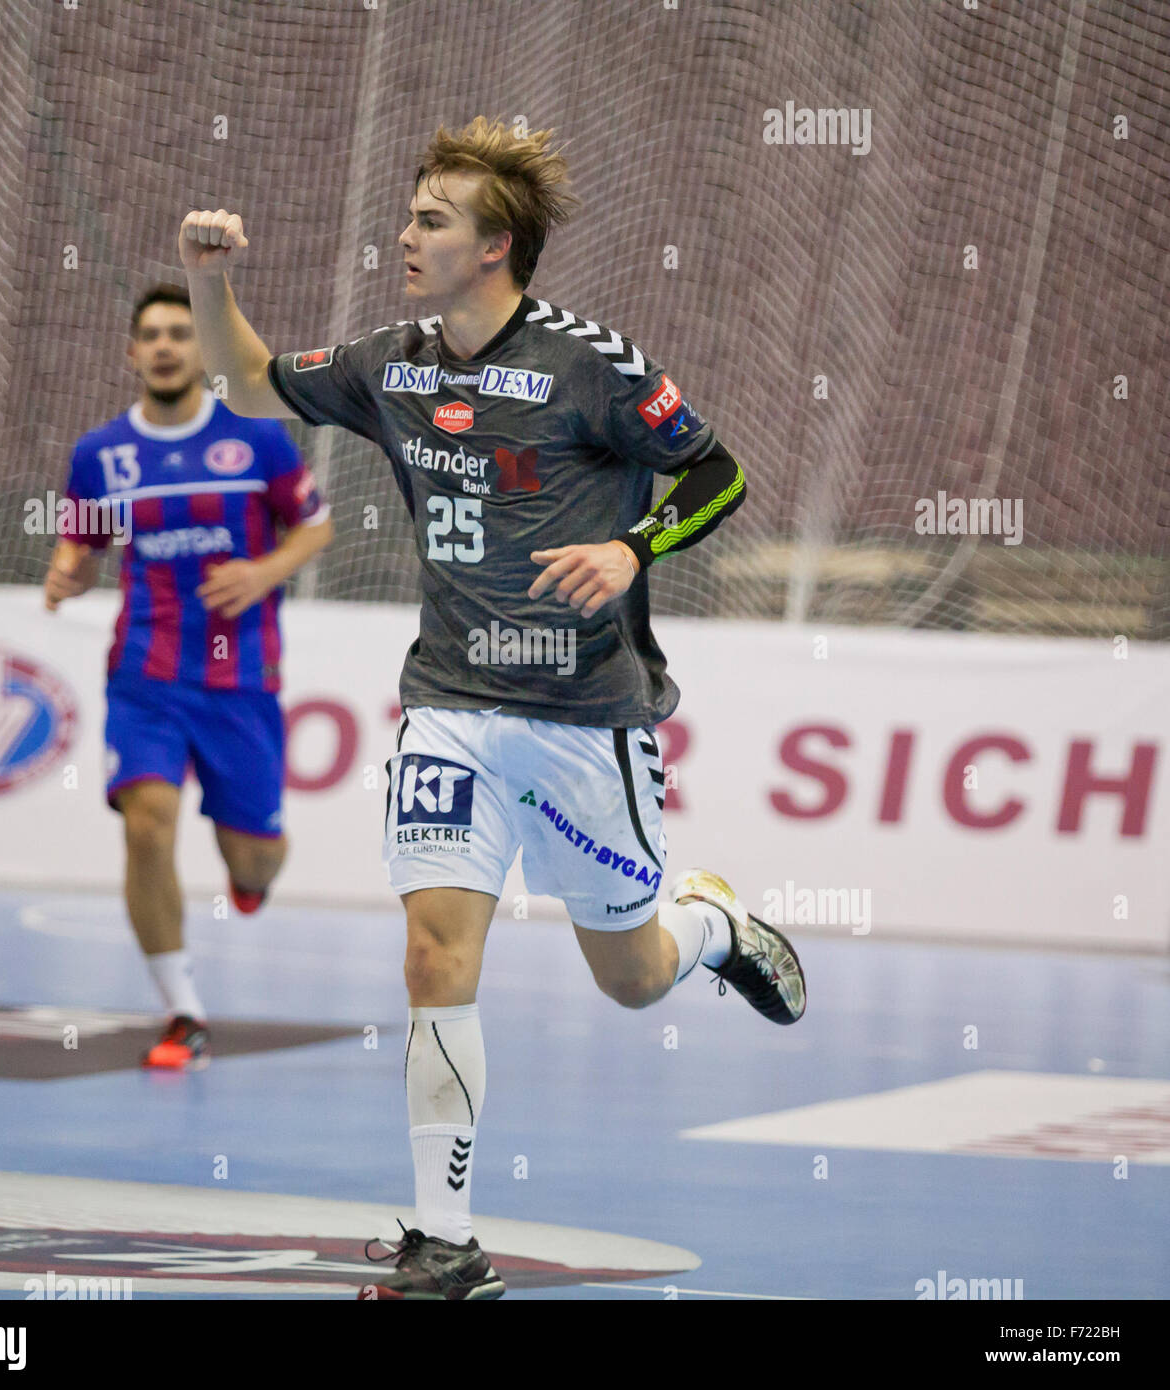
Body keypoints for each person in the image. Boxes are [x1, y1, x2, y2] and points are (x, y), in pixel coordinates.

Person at [180, 116, 806, 1298]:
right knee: (431, 954)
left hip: (584, 715)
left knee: (628, 978)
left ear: (494, 246)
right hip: (449, 706)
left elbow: (715, 472)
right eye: (410, 213)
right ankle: (443, 1241)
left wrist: (631, 547)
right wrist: (214, 283)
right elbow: (252, 385)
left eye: (430, 219)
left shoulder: (591, 365)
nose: (405, 235)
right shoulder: (394, 360)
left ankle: (714, 926)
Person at [43, 284, 333, 1071]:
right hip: (144, 674)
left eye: (180, 332)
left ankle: (253, 875)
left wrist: (262, 572)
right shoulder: (102, 454)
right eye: (152, 335)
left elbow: (315, 525)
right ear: (132, 354)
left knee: (253, 857)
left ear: (200, 351)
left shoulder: (257, 441)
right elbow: (84, 541)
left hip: (240, 680)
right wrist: (66, 573)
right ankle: (182, 1014)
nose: (167, 346)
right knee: (146, 826)